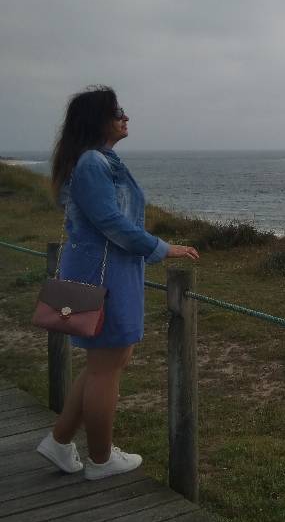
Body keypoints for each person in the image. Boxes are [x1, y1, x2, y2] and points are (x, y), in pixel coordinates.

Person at [36, 85, 199, 480]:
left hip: (105, 272)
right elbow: (111, 223)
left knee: (104, 363)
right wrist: (163, 247)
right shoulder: (93, 162)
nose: (126, 118)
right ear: (98, 120)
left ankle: (59, 443)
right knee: (107, 366)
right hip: (105, 276)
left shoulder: (95, 160)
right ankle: (101, 458)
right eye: (118, 112)